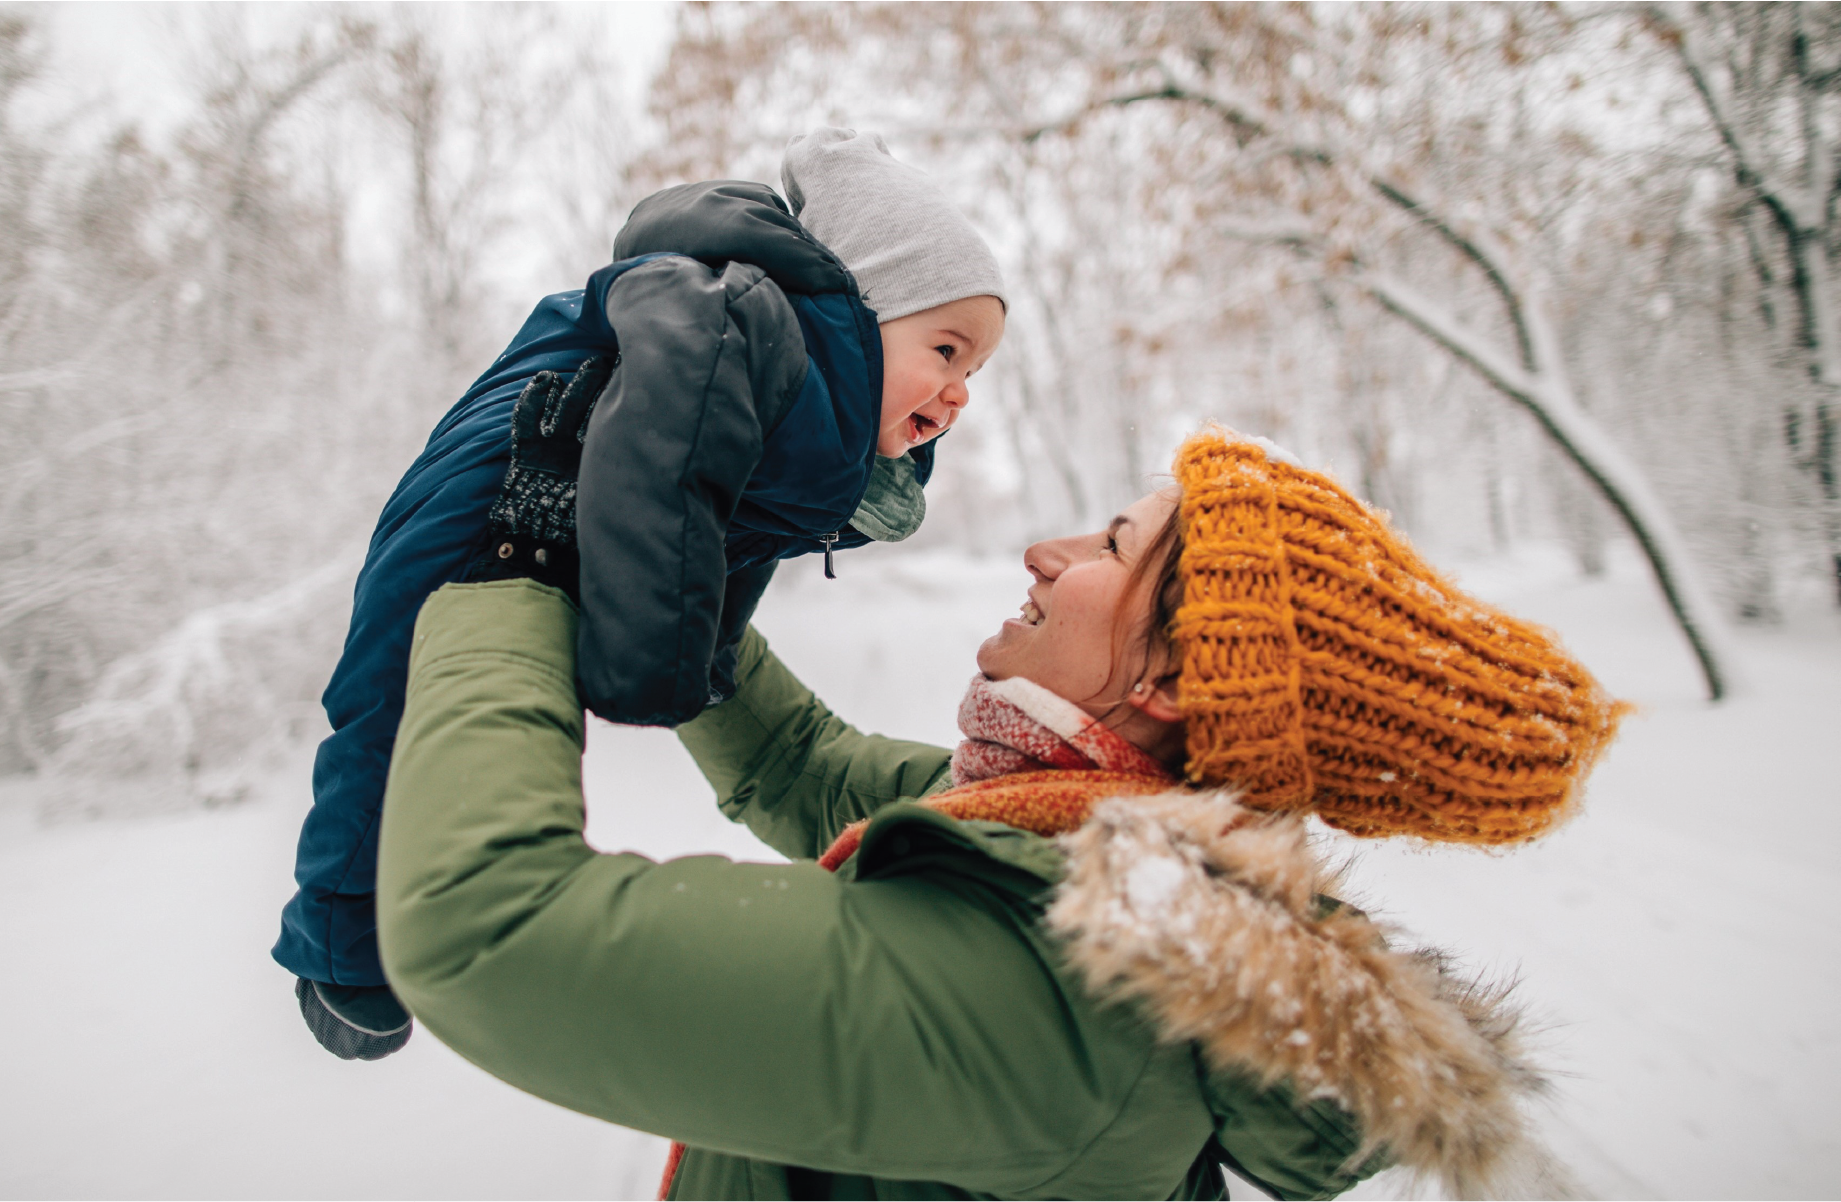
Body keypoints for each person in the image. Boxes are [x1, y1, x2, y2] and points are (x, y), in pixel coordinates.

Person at [375, 425, 1623, 1202]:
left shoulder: (1068, 989)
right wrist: (653, 570)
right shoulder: (1070, 832)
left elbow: (494, 927)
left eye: (1110, 540)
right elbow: (811, 764)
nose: (1041, 547)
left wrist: (511, 578)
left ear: (1175, 679)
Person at [276, 128, 1008, 1059]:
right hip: (488, 485)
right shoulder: (733, 311)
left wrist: (702, 648)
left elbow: (729, 528)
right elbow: (664, 468)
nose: (960, 391)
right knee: (390, 699)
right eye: (946, 349)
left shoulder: (814, 392)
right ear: (862, 307)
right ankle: (337, 945)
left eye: (974, 371)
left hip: (580, 497)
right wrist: (653, 664)